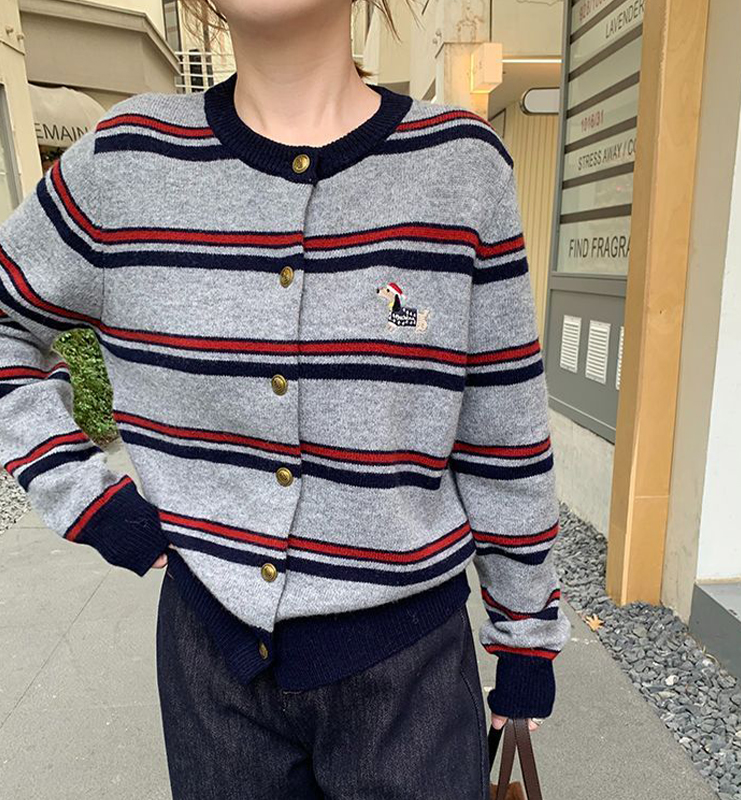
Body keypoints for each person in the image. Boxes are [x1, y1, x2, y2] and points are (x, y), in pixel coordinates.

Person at [0, 0, 571, 797]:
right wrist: (87, 499)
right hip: (211, 665)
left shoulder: (460, 169)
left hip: (411, 672)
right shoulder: (125, 161)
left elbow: (502, 424)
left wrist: (525, 634)